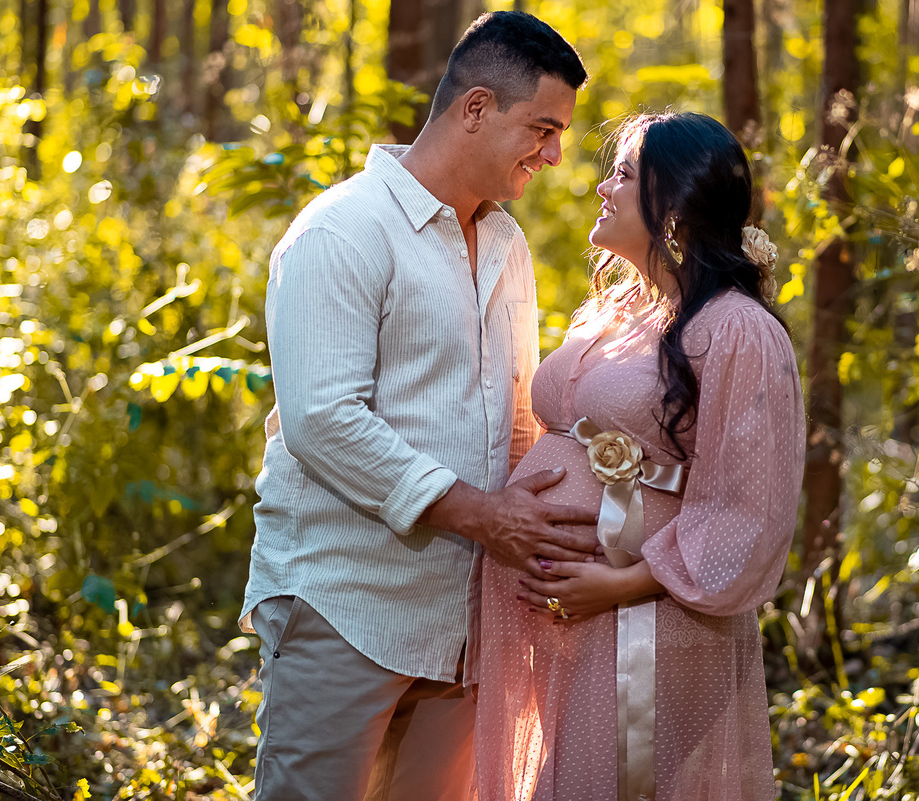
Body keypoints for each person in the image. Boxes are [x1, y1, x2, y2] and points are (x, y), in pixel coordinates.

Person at [239, 12, 593, 801]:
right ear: (474, 108)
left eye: (560, 132)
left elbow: (515, 413)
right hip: (345, 602)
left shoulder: (508, 244)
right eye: (541, 127)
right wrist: (483, 515)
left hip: (467, 619)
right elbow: (324, 419)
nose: (555, 154)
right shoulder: (340, 231)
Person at [474, 112, 806, 801]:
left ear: (676, 205)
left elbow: (749, 510)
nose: (602, 187)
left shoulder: (738, 330)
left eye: (623, 173)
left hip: (647, 624)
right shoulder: (622, 312)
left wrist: (617, 586)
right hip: (577, 622)